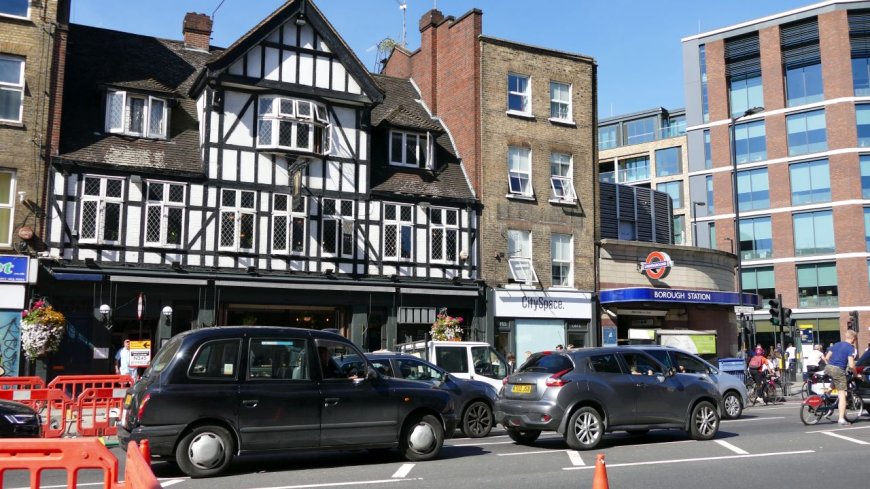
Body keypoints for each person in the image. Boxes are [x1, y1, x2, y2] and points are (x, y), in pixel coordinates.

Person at [823, 329, 858, 425]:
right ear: (853, 339)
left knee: (837, 379)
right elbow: (851, 365)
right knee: (842, 394)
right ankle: (841, 419)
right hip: (838, 369)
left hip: (828, 368)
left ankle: (826, 399)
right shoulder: (850, 348)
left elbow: (827, 358)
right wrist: (856, 374)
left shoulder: (837, 344)